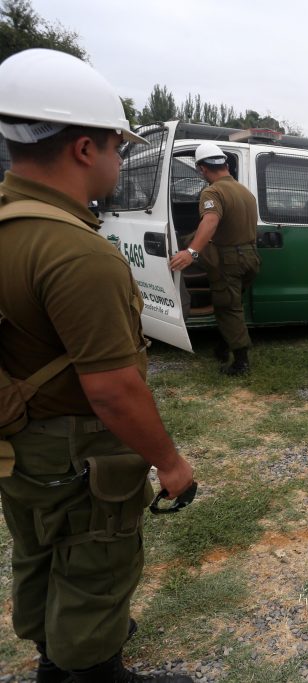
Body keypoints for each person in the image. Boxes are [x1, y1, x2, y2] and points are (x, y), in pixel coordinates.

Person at [0, 49, 194, 682]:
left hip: (20, 444)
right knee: (95, 562)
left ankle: (53, 658)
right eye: (117, 144)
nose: (121, 158)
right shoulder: (76, 252)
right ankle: (88, 668)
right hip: (74, 449)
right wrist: (169, 463)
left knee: (37, 549)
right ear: (84, 149)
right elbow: (113, 390)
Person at [169, 142, 260, 375]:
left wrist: (191, 253)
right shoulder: (245, 192)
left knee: (227, 308)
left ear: (202, 169)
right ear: (226, 164)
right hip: (250, 257)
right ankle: (223, 346)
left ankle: (241, 363)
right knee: (233, 303)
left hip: (229, 259)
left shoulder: (212, 192)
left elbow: (210, 221)